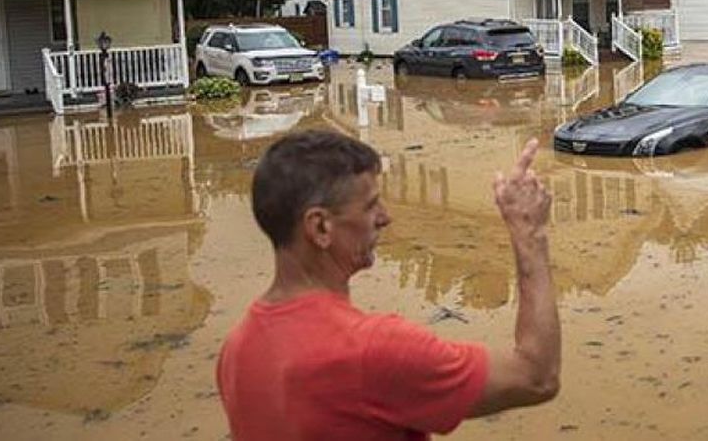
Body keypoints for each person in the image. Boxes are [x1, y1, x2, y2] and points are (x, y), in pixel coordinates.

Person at [218, 130, 560, 440]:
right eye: (370, 206)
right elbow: (536, 376)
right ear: (320, 227)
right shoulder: (374, 350)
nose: (385, 217)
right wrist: (529, 234)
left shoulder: (236, 350)